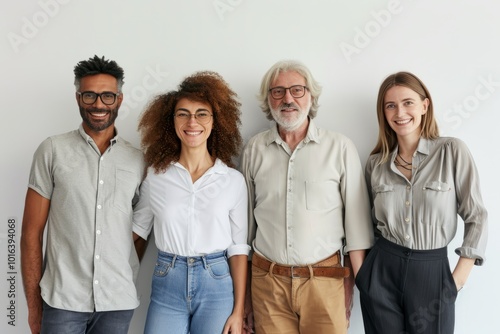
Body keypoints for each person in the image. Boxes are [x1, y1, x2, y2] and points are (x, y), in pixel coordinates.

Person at [241, 60, 374, 334]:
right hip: (268, 285)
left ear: (310, 96)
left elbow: (357, 229)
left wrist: (349, 286)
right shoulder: (254, 149)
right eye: (277, 91)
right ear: (268, 99)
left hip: (325, 283)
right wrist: (245, 298)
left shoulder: (340, 147)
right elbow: (244, 228)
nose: (287, 99)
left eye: (297, 90)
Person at [20, 55, 145, 334]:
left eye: (107, 96)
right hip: (62, 301)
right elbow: (30, 233)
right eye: (89, 95)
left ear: (120, 100)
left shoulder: (137, 160)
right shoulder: (52, 151)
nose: (98, 104)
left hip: (117, 302)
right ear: (78, 98)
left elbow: (139, 231)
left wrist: (124, 273)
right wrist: (33, 306)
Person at [358, 71, 488, 334]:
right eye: (390, 105)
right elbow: (367, 225)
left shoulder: (451, 151)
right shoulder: (376, 164)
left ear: (425, 106)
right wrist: (364, 277)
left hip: (432, 274)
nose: (400, 112)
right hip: (382, 271)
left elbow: (477, 216)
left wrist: (456, 281)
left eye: (408, 102)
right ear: (383, 113)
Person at [133, 71, 250, 334]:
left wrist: (239, 310)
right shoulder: (156, 175)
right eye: (183, 113)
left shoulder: (232, 180)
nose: (192, 121)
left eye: (201, 113)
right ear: (171, 121)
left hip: (217, 282)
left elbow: (239, 248)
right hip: (167, 280)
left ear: (215, 121)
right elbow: (138, 232)